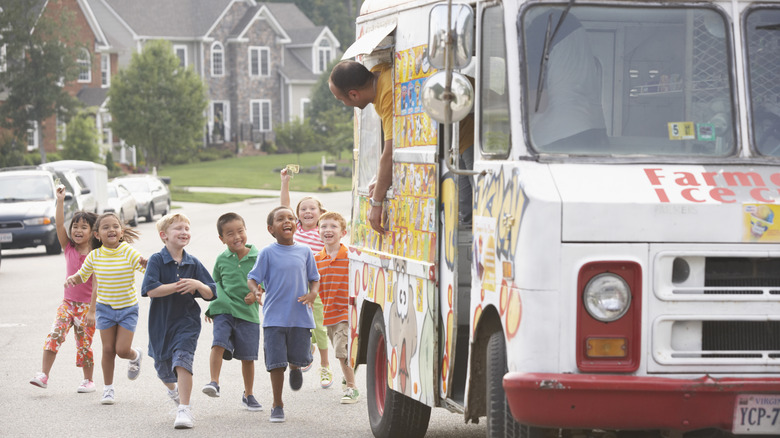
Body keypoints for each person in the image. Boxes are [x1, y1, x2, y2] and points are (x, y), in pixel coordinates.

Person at [141, 213, 216, 429]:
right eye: (178, 229)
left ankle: (184, 409)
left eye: (186, 228)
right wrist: (178, 286)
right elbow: (151, 290)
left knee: (182, 360)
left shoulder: (193, 263)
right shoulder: (156, 259)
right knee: (162, 367)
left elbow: (210, 292)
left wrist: (197, 285)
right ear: (164, 235)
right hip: (161, 325)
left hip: (187, 323)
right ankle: (173, 391)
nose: (184, 232)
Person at [247, 206, 320, 423]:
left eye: (290, 218)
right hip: (274, 318)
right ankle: (277, 404)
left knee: (298, 356)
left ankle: (296, 365)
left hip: (300, 316)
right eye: (280, 219)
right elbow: (252, 278)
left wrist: (313, 293)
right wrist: (255, 289)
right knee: (276, 363)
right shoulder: (267, 252)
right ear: (271, 229)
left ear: (296, 225)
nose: (286, 221)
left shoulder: (305, 251)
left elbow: (314, 278)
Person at [65, 212, 145, 405]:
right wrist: (73, 279)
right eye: (106, 227)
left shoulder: (128, 251)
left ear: (121, 231)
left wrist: (149, 264)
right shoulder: (95, 255)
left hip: (127, 308)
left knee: (122, 349)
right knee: (108, 350)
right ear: (97, 235)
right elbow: (82, 275)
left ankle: (135, 355)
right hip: (105, 309)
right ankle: (108, 390)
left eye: (115, 226)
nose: (111, 230)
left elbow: (145, 268)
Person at [30, 186, 99, 392]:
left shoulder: (96, 254)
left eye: (83, 227)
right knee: (55, 334)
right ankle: (44, 375)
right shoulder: (68, 247)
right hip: (68, 304)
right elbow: (59, 223)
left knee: (84, 345)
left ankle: (88, 380)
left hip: (87, 307)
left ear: (93, 232)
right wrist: (60, 201)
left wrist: (93, 310)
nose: (78, 230)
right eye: (75, 226)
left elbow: (96, 284)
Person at [201, 212, 262, 412]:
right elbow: (215, 283)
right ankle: (214, 382)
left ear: (246, 231)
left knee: (248, 357)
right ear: (222, 239)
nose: (236, 237)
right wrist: (212, 307)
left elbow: (267, 280)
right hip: (225, 311)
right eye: (230, 234)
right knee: (218, 342)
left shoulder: (258, 257)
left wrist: (256, 294)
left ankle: (248, 394)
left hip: (248, 313)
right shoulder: (221, 259)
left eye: (240, 231)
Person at [280, 168, 333, 388]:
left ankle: (325, 366)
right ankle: (307, 348)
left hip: (317, 287)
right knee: (300, 326)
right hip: (295, 287)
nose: (307, 211)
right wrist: (285, 182)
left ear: (321, 212)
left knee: (319, 327)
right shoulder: (295, 229)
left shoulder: (323, 231)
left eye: (312, 208)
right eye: (303, 209)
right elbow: (284, 208)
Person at [526, 10, 607, 150]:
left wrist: (497, 106)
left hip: (559, 137)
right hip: (595, 131)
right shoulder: (570, 20)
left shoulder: (539, 27)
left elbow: (538, 103)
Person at [329, 60, 393, 234]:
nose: (344, 104)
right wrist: (379, 178)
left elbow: (390, 152)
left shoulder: (388, 94)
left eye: (342, 100)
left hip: (464, 142)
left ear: (354, 95)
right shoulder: (378, 73)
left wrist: (377, 203)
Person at [314, 211, 359, 404]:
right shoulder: (317, 260)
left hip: (347, 312)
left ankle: (351, 387)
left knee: (342, 351)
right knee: (343, 352)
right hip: (329, 314)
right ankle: (348, 375)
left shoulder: (350, 256)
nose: (328, 230)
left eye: (333, 226)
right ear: (318, 232)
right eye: (323, 226)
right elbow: (312, 286)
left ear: (343, 232)